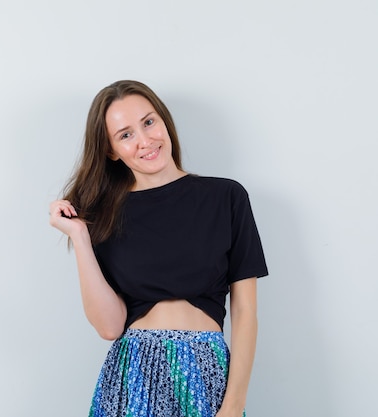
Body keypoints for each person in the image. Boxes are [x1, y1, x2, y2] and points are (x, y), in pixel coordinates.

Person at [48, 80, 268, 417]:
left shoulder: (225, 198)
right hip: (131, 378)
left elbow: (245, 312)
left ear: (164, 121)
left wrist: (234, 405)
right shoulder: (105, 217)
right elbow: (109, 327)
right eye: (125, 135)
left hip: (204, 374)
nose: (145, 141)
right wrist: (80, 236)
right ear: (111, 151)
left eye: (149, 122)